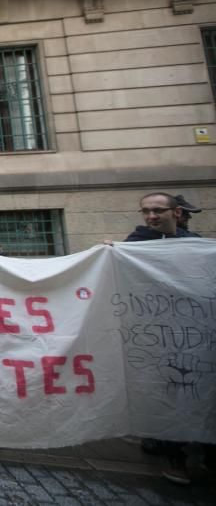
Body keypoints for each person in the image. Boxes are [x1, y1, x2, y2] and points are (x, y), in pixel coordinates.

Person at [118, 192, 200, 484]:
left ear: (175, 213)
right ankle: (173, 455)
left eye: (157, 211)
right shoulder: (132, 246)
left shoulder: (196, 245)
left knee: (191, 392)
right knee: (163, 391)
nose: (151, 216)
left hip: (192, 335)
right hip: (151, 334)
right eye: (146, 211)